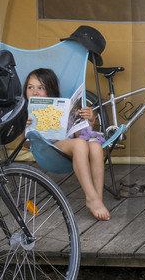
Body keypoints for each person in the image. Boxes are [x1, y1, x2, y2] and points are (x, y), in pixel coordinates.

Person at [24, 68, 110, 222]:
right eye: (30, 87)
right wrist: (25, 129)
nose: (35, 92)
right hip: (48, 149)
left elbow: (79, 134)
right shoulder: (26, 112)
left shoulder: (62, 107)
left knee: (96, 147)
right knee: (80, 144)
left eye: (41, 88)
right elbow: (25, 144)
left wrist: (90, 119)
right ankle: (91, 198)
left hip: (70, 147)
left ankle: (97, 198)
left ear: (51, 90)